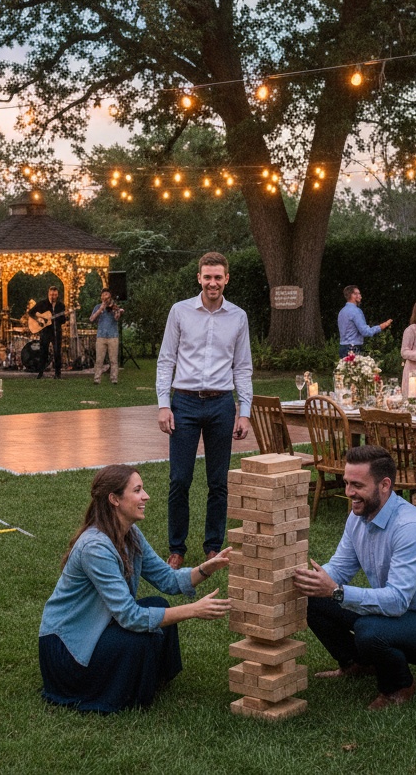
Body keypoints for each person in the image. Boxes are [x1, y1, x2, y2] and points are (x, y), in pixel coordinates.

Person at [38, 464, 232, 713]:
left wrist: (206, 568)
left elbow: (167, 579)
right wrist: (193, 610)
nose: (146, 496)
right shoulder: (95, 548)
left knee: (159, 608)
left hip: (100, 626)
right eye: (137, 490)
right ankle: (119, 694)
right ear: (114, 499)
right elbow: (129, 616)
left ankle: (149, 683)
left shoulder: (131, 533)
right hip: (67, 651)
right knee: (138, 639)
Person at [293, 444, 416, 711]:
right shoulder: (358, 517)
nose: (349, 493)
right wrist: (306, 580)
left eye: (357, 485)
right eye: (346, 483)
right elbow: (340, 568)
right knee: (311, 598)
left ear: (384, 485)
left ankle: (398, 686)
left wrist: (336, 591)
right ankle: (356, 664)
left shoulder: (410, 528)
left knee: (370, 632)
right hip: (392, 612)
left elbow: (397, 602)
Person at [156, 251, 253, 569]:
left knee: (218, 481)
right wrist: (163, 405)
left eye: (218, 277)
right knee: (179, 479)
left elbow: (242, 367)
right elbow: (166, 360)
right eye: (207, 276)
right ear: (199, 278)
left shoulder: (238, 317)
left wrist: (245, 411)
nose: (213, 282)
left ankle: (213, 547)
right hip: (183, 401)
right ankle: (177, 548)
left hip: (221, 404)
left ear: (227, 279)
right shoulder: (180, 312)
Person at [337, 285, 392, 357]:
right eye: (358, 294)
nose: (360, 296)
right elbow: (365, 332)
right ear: (353, 295)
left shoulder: (342, 311)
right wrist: (381, 326)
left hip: (342, 347)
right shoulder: (356, 311)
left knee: (345, 368)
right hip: (353, 348)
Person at [28, 285, 66, 380]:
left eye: (55, 295)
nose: (53, 297)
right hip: (45, 332)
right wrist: (39, 319)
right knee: (43, 352)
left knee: (57, 352)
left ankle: (58, 373)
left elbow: (63, 321)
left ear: (57, 295)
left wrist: (62, 317)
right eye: (51, 295)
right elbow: (31, 312)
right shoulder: (42, 304)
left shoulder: (61, 306)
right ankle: (40, 373)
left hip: (56, 331)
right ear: (48, 294)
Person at [89, 287, 124, 385]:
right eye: (103, 295)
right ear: (101, 297)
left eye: (107, 296)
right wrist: (101, 309)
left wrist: (117, 312)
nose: (105, 297)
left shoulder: (114, 307)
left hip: (113, 336)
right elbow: (91, 319)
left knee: (113, 359)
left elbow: (117, 318)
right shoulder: (97, 307)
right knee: (99, 359)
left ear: (110, 297)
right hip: (101, 336)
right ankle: (97, 379)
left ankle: (114, 379)